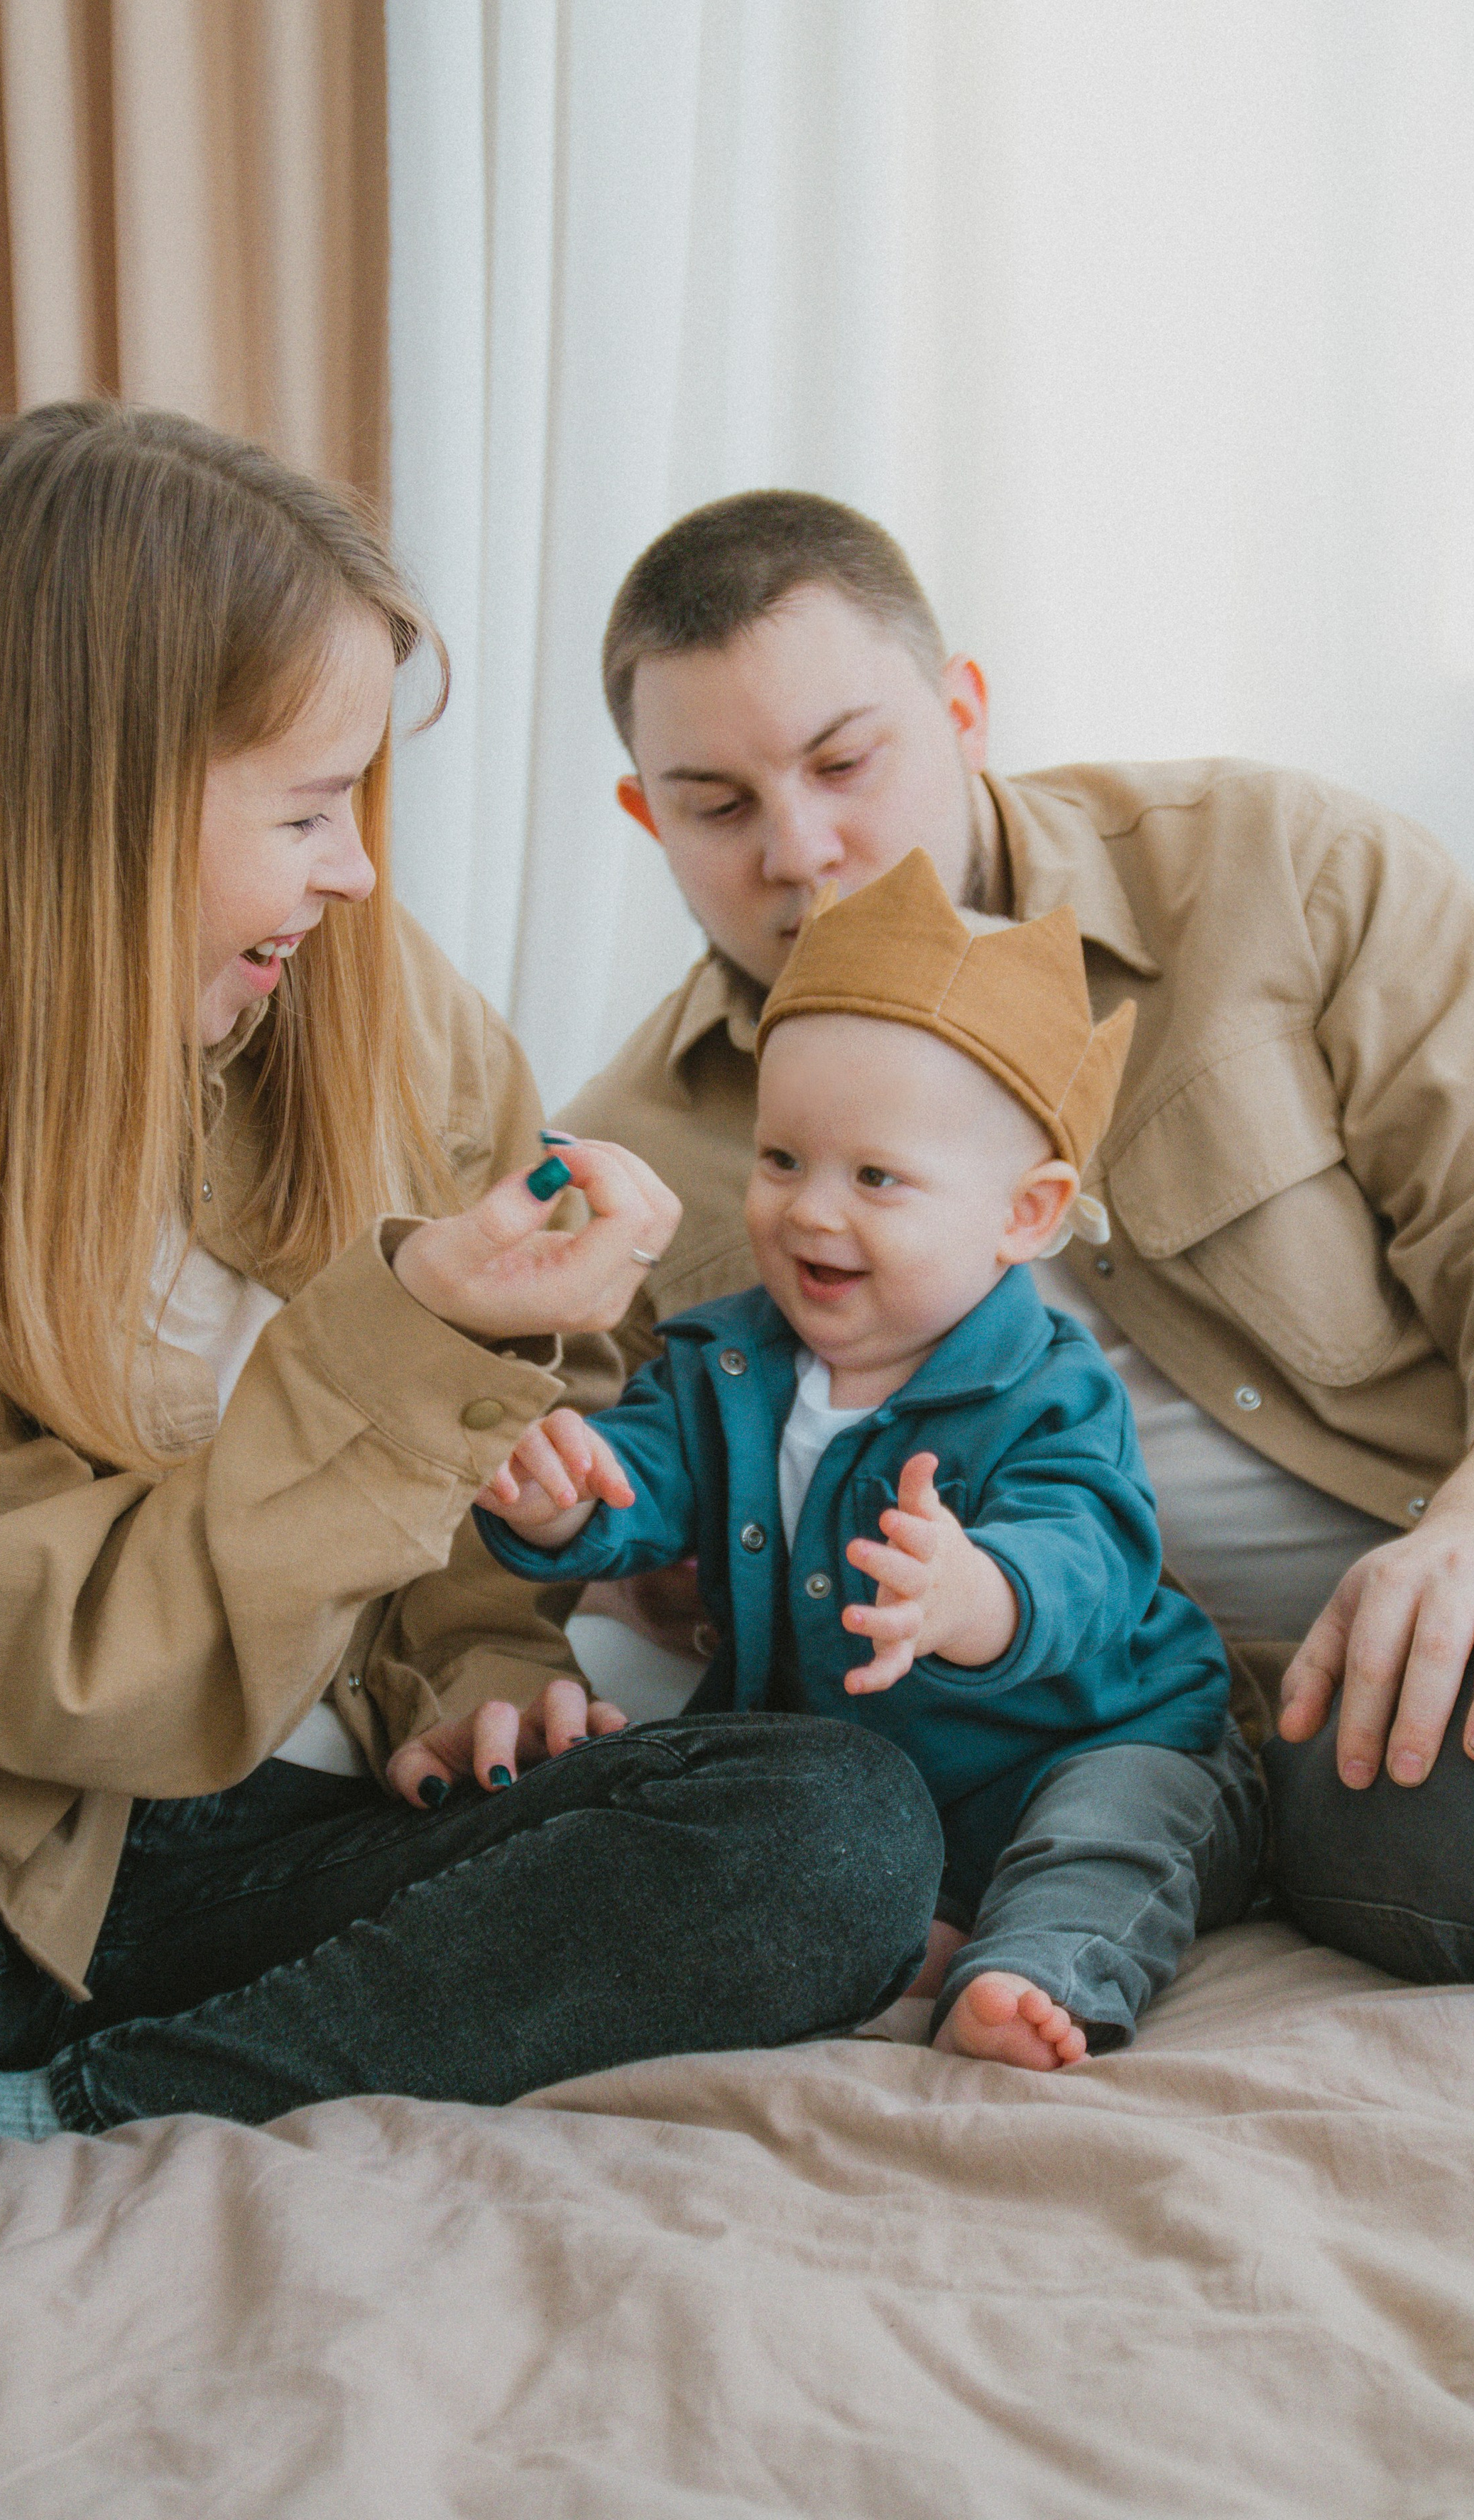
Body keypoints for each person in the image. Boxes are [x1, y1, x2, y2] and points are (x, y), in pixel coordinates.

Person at [0, 411, 939, 2158]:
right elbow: (78, 1677)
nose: (354, 870)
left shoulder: (374, 998)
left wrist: (472, 1673)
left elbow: (494, 1505)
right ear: (97, 800)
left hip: (325, 1830)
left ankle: (72, 2105)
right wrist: (413, 1337)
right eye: (305, 809)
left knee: (833, 1834)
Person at [559, 488, 1474, 2000]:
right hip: (1260, 1746)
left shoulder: (1277, 874)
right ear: (645, 813)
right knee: (1459, 1772)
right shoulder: (634, 1160)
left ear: (961, 710)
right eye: (715, 804)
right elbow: (544, 1513)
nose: (804, 851)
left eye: (846, 762)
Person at [479, 852, 1264, 2069]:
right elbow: (644, 1469)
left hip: (1100, 1733)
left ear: (1026, 1214)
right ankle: (917, 1930)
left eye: (877, 1179)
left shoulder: (1049, 1386)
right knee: (717, 1804)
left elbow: (1090, 1550)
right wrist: (557, 1503)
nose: (809, 1212)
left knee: (1115, 1835)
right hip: (875, 1781)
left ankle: (1035, 1970)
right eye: (783, 1159)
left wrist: (980, 1594)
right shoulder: (726, 1359)